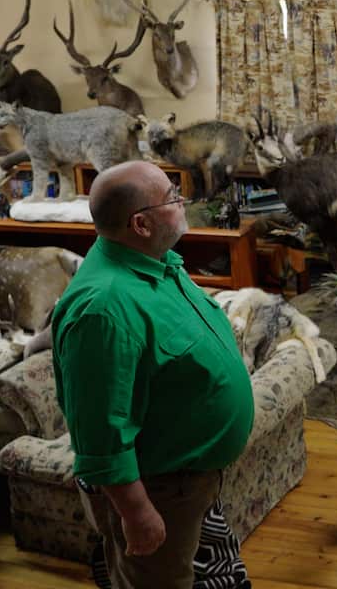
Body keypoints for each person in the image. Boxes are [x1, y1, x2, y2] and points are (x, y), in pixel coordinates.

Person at [51, 160, 255, 589]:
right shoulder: (103, 309)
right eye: (173, 197)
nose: (184, 202)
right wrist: (137, 513)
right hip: (159, 490)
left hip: (190, 478)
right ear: (141, 223)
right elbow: (100, 433)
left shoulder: (156, 261)